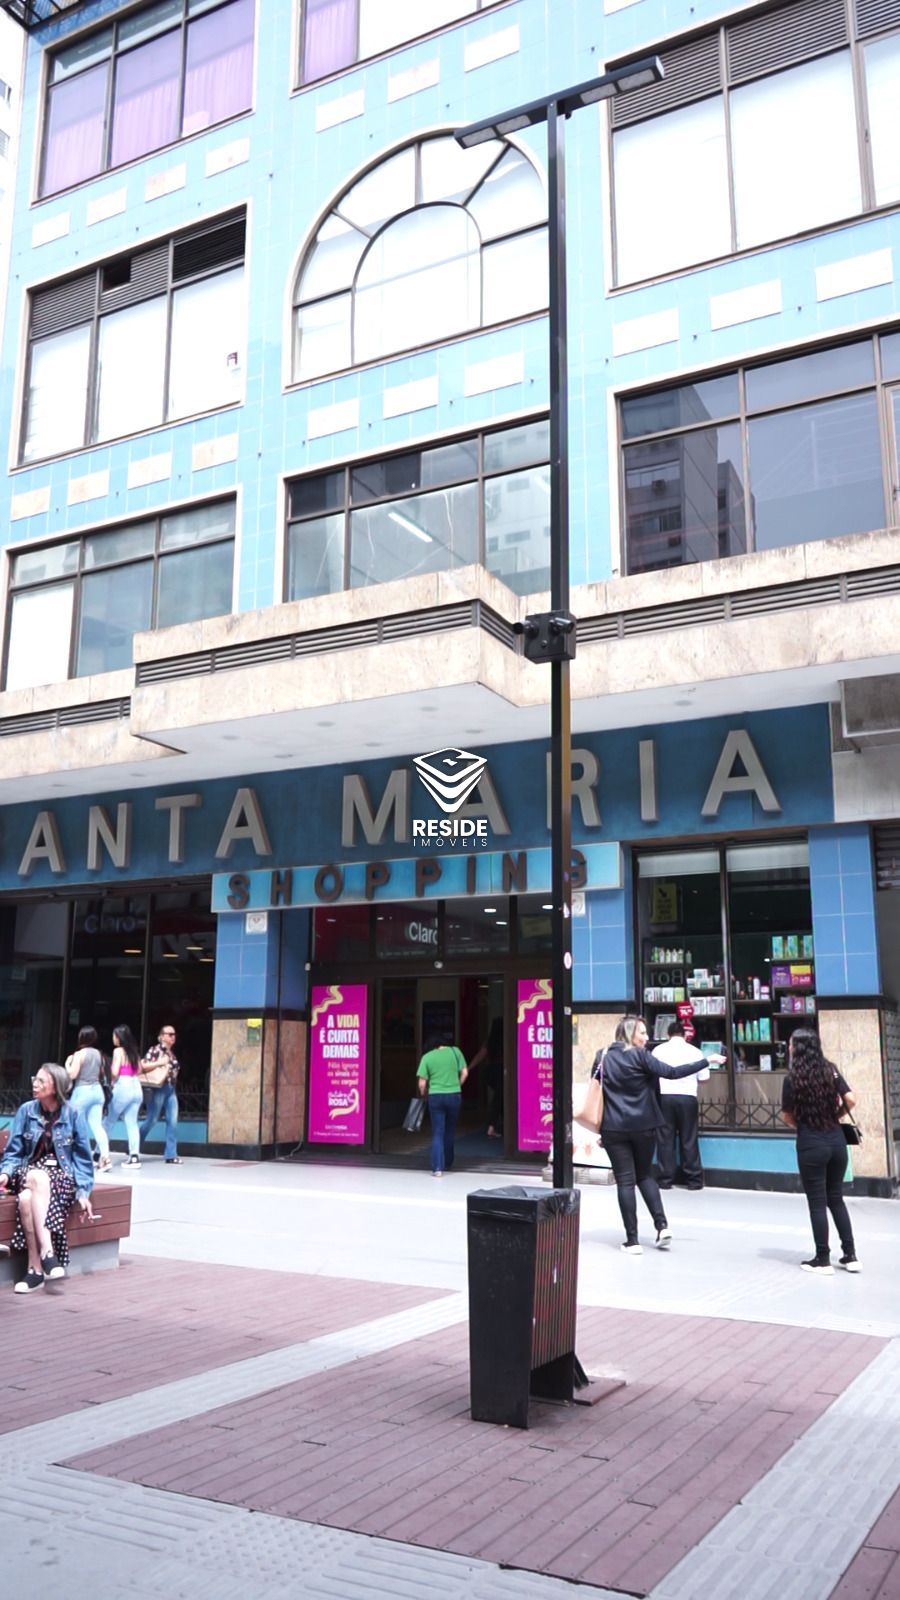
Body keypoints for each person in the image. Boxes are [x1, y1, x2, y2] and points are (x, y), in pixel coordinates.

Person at [595, 1014, 716, 1254]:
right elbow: (672, 1072)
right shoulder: (642, 1056)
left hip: (613, 1128)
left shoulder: (603, 1056)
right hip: (644, 1126)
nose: (647, 1037)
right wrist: (705, 1061)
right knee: (645, 1176)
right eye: (642, 1032)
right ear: (630, 1034)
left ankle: (632, 1241)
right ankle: (662, 1226)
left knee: (625, 1182)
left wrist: (600, 1129)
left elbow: (598, 1091)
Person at [0, 1063, 95, 1293]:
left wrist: (83, 1193)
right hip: (27, 1172)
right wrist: (5, 1173)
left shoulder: (74, 1114)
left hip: (61, 1178)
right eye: (35, 1079)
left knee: (26, 1199)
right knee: (38, 1177)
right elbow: (13, 1153)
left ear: (56, 1087)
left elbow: (83, 1159)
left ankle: (34, 1271)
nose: (35, 1084)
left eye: (42, 1081)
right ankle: (48, 1252)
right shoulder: (26, 1111)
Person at [780, 1028, 860, 1275]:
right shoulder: (831, 1070)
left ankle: (822, 1259)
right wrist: (835, 1117)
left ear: (798, 1048)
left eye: (791, 1044)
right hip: (837, 1142)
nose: (789, 1048)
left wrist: (806, 1126)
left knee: (817, 1202)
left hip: (811, 1143)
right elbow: (851, 1099)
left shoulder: (792, 1078)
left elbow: (787, 1116)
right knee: (836, 1198)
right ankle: (850, 1256)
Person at [653, 1020, 718, 1190]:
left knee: (665, 1139)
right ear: (685, 1035)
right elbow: (704, 1078)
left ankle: (665, 1179)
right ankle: (693, 1180)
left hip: (664, 1097)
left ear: (668, 1035)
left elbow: (651, 1075)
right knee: (688, 1138)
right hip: (688, 1098)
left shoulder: (658, 1050)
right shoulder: (695, 1052)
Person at [416, 1033, 468, 1177]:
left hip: (435, 1096)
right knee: (450, 1130)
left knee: (438, 1132)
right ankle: (448, 1163)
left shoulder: (427, 1057)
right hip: (454, 1095)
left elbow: (422, 1083)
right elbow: (465, 1073)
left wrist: (424, 1094)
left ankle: (437, 1168)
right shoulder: (455, 1051)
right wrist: (457, 1085)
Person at [66, 1025, 112, 1174]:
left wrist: (68, 1062)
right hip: (97, 1091)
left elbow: (72, 1075)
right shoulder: (99, 1054)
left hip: (82, 1092)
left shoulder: (79, 1054)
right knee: (97, 1126)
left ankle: (81, 1158)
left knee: (77, 1125)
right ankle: (105, 1158)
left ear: (81, 1037)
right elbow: (101, 1073)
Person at [139, 1024, 183, 1164]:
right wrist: (160, 1062)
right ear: (162, 1036)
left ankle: (171, 1154)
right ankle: (134, 1145)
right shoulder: (155, 1050)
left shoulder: (171, 1053)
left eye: (174, 1034)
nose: (173, 1037)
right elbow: (143, 1066)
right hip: (158, 1088)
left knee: (172, 1121)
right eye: (169, 1034)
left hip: (170, 1088)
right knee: (152, 1119)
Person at [106, 1023, 144, 1169]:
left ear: (119, 1037)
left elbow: (115, 1072)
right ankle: (134, 1156)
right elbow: (139, 1070)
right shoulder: (134, 1051)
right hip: (136, 1086)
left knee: (109, 1120)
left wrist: (110, 1076)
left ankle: (99, 1153)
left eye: (114, 1035)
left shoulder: (118, 1051)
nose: (113, 1038)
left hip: (123, 1085)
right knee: (132, 1123)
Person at [468, 1015, 504, 1137]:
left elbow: (480, 1055)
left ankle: (499, 1124)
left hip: (490, 1072)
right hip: (502, 1071)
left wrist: (469, 1068)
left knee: (500, 1098)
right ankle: (492, 1126)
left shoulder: (490, 1041)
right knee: (499, 1098)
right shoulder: (507, 1040)